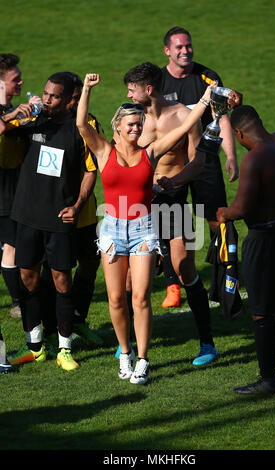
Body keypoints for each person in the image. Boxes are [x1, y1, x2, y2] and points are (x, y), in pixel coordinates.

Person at [76, 72, 213, 383]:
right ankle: (124, 352)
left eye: (139, 125)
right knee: (115, 298)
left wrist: (205, 100)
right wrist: (85, 89)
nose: (138, 129)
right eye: (132, 126)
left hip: (143, 230)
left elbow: (184, 127)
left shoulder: (149, 153)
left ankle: (142, 359)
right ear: (118, 128)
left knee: (140, 297)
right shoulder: (103, 151)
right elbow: (81, 124)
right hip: (111, 231)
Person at [123, 62, 240, 366]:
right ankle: (128, 346)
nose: (128, 95)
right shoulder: (131, 120)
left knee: (185, 266)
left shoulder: (182, 116)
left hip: (172, 201)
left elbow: (197, 163)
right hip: (138, 204)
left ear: (148, 89)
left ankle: (207, 344)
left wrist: (174, 181)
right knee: (128, 280)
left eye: (132, 90)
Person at [0, 72, 96, 371]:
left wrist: (78, 205)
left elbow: (92, 170)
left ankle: (65, 348)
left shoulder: (82, 128)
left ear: (70, 100)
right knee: (27, 280)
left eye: (54, 96)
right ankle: (36, 346)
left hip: (59, 218)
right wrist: (15, 113)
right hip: (26, 215)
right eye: (45, 93)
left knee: (62, 281)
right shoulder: (32, 122)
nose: (47, 99)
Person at [217, 105, 275, 394]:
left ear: (239, 133)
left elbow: (242, 208)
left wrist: (224, 213)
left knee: (261, 311)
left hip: (263, 239)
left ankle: (267, 379)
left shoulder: (254, 159)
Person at [159, 26, 238, 308]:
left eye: (188, 46)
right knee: (171, 223)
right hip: (171, 162)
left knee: (217, 220)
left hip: (204, 160)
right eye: (179, 47)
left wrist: (230, 156)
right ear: (167, 50)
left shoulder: (207, 77)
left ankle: (227, 275)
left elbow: (223, 118)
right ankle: (172, 285)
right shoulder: (158, 82)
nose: (185, 51)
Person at [40, 71, 104, 353]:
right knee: (53, 273)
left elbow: (95, 165)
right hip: (54, 215)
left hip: (85, 213)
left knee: (90, 263)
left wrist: (79, 204)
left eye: (80, 98)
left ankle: (77, 318)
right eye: (74, 99)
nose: (76, 103)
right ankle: (51, 329)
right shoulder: (46, 122)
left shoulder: (89, 123)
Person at [0, 53, 25, 319]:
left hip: (17, 189)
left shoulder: (10, 111)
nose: (20, 82)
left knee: (13, 244)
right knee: (13, 244)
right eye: (15, 78)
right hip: (3, 193)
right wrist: (16, 114)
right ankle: (19, 302)